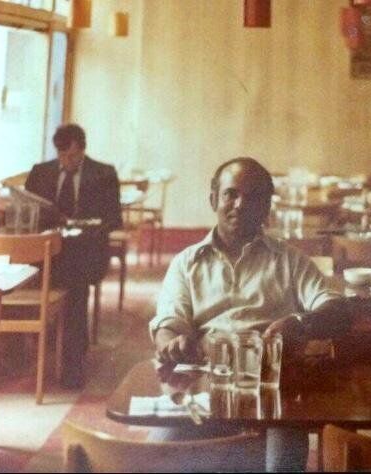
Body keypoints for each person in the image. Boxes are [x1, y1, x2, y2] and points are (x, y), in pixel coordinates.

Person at [149, 157, 353, 471]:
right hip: (205, 383)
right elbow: (169, 324)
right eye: (230, 194)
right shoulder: (186, 263)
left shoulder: (289, 261)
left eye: (253, 197)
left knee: (280, 466)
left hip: (274, 389)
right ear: (213, 199)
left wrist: (298, 322)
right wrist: (173, 341)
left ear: (267, 207)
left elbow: (338, 310)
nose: (240, 204)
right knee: (152, 458)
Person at [25, 123, 122, 388]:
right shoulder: (41, 173)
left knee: (75, 288)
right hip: (46, 251)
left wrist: (87, 225)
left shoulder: (102, 174)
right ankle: (21, 354)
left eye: (73, 156)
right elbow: (29, 212)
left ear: (83, 149)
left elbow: (114, 219)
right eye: (63, 156)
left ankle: (72, 365)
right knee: (20, 280)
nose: (68, 162)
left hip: (84, 251)